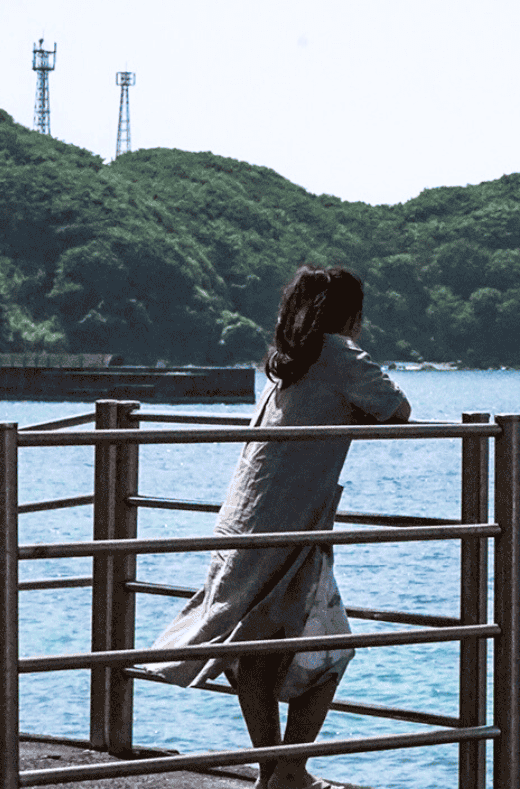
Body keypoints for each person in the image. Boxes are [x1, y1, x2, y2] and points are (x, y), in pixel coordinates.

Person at [150, 266, 411, 789]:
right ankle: (288, 770)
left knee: (255, 651)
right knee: (331, 651)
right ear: (350, 314)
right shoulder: (339, 354)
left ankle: (275, 772)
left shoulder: (288, 361)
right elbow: (397, 409)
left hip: (245, 520)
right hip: (289, 527)